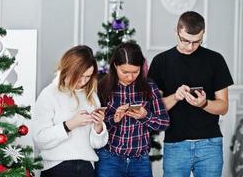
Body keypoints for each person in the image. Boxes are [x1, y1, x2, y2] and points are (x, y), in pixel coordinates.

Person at [148, 11, 234, 177]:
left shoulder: (215, 60)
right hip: (175, 145)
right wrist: (175, 96)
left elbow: (223, 107)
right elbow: (154, 108)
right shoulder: (161, 61)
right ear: (176, 31)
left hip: (210, 145)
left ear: (203, 34)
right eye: (185, 40)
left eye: (196, 42)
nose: (190, 46)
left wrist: (204, 103)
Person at [32, 45, 108, 177]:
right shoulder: (49, 94)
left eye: (88, 76)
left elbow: (97, 144)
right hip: (57, 168)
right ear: (68, 70)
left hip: (86, 168)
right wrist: (70, 124)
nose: (83, 81)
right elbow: (39, 139)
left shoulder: (91, 96)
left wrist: (98, 126)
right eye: (80, 76)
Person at [95, 42, 170, 177]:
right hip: (109, 160)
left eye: (135, 72)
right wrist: (114, 119)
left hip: (140, 162)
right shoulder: (102, 87)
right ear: (115, 66)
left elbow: (164, 123)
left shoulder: (150, 86)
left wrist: (145, 116)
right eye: (125, 72)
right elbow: (94, 129)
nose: (130, 77)